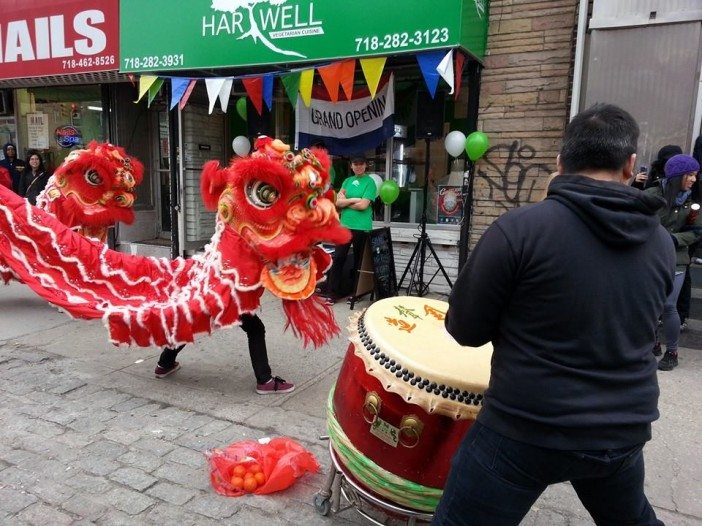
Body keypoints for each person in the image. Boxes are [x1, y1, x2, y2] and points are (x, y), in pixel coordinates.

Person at [433, 103, 672, 526]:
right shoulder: (661, 242)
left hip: (525, 428)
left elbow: (465, 329)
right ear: (630, 164)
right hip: (621, 431)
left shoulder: (520, 229)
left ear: (561, 161)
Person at [645, 154, 701, 371]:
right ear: (677, 176)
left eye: (695, 175)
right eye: (690, 175)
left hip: (676, 259)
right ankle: (653, 344)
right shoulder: (651, 195)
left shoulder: (692, 203)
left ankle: (672, 352)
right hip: (649, 257)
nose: (694, 179)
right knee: (650, 305)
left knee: (668, 306)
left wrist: (674, 239)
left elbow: (697, 232)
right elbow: (636, 220)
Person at [154, 313, 295, 395]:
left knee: (193, 322)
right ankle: (265, 380)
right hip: (222, 285)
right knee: (255, 328)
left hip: (200, 280)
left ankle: (165, 363)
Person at [322, 153, 376, 304]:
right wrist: (354, 200)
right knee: (338, 258)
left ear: (365, 165)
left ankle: (355, 293)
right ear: (351, 166)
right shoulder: (347, 181)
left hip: (362, 227)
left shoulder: (370, 182)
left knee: (359, 262)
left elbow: (363, 205)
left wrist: (346, 201)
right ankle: (332, 294)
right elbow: (338, 203)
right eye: (355, 164)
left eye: (361, 164)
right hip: (345, 225)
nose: (358, 166)